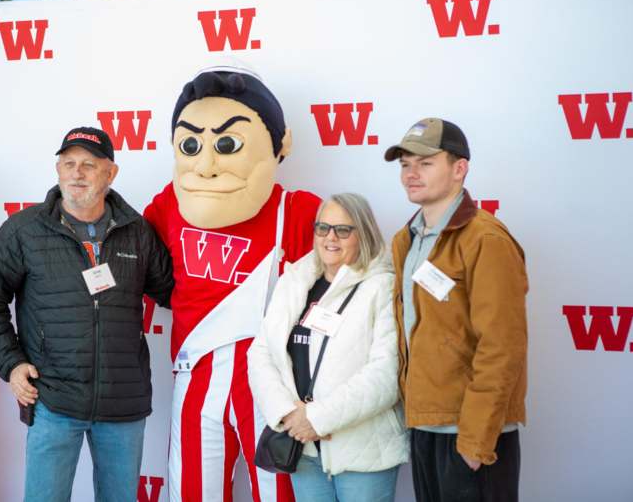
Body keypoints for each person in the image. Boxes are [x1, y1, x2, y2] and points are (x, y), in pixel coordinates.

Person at [0, 126, 174, 502]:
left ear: (110, 173)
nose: (77, 173)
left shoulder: (138, 232)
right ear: (58, 169)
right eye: (68, 163)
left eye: (89, 165)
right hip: (53, 399)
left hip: (122, 402)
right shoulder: (24, 231)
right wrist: (12, 363)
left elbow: (176, 293)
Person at [143, 66, 321, 502]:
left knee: (278, 489)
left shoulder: (299, 211)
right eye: (191, 145)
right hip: (194, 372)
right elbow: (139, 265)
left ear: (281, 146)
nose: (206, 165)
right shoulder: (168, 206)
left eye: (227, 145)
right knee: (192, 491)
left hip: (272, 378)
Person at [385, 118, 528, 502]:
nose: (411, 174)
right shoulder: (406, 240)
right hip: (425, 426)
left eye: (426, 163)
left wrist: (476, 438)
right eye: (404, 165)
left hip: (470, 435)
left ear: (459, 169)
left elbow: (502, 345)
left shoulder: (485, 239)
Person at [247, 193, 408, 502]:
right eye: (323, 228)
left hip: (362, 452)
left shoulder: (383, 287)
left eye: (343, 230)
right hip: (303, 446)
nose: (330, 237)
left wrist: (318, 418)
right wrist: (287, 414)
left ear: (364, 234)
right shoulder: (294, 281)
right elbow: (261, 352)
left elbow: (385, 375)